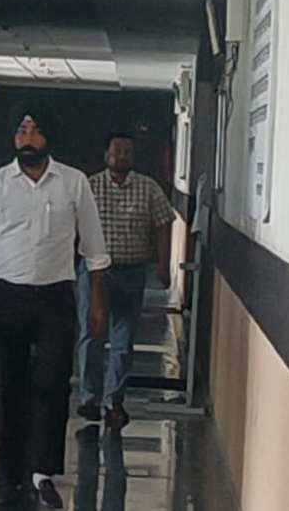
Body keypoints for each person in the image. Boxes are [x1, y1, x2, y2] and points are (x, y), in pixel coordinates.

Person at [0, 102, 110, 509]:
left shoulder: (73, 183)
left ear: (50, 137)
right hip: (7, 296)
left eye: (34, 130)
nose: (26, 138)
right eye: (21, 130)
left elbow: (94, 250)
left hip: (56, 299)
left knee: (52, 384)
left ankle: (43, 472)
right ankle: (9, 469)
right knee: (8, 385)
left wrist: (96, 304)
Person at [76, 132, 175, 428]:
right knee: (91, 336)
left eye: (127, 151)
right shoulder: (89, 186)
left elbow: (163, 224)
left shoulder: (148, 188)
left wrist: (164, 264)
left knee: (123, 340)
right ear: (105, 154)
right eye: (116, 151)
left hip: (131, 273)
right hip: (94, 273)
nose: (121, 156)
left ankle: (113, 401)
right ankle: (90, 398)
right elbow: (72, 226)